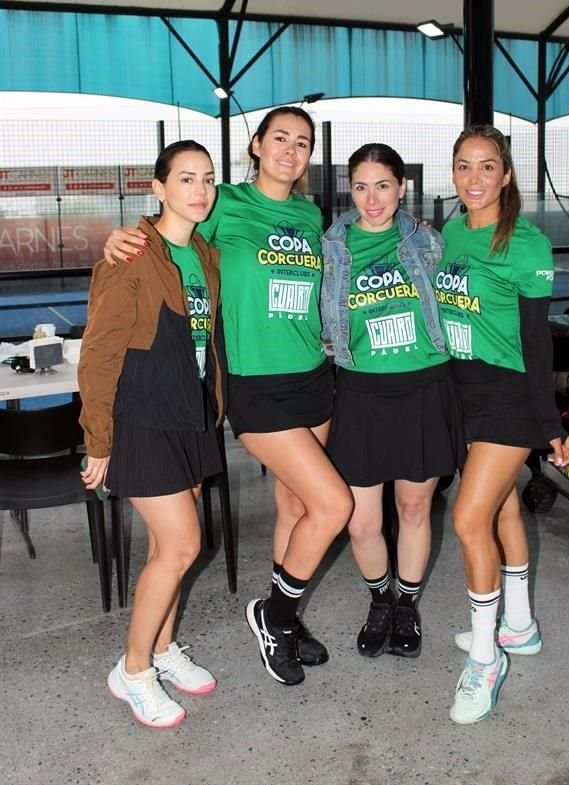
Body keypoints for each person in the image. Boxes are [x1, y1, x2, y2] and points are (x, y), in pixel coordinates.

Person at [103, 107, 353, 687]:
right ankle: (273, 615)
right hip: (254, 385)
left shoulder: (310, 214)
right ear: (257, 145)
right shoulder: (223, 203)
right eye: (280, 139)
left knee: (297, 509)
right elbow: (172, 235)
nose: (291, 151)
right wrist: (124, 235)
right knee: (333, 505)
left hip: (313, 375)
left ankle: (284, 622)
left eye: (303, 143)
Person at [79, 140, 225, 729]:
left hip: (188, 413)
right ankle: (133, 670)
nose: (199, 189)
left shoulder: (206, 256)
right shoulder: (133, 254)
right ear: (158, 187)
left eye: (208, 179)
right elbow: (99, 352)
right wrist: (98, 439)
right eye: (185, 178)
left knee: (169, 549)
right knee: (184, 546)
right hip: (142, 416)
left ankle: (163, 649)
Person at [434, 125, 569, 725]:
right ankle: (518, 625)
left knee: (468, 519)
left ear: (507, 173)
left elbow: (536, 343)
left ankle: (487, 658)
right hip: (462, 389)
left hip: (509, 395)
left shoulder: (527, 243)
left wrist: (551, 423)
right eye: (463, 166)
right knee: (502, 510)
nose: (473, 178)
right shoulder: (450, 231)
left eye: (486, 166)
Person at [321, 144, 465, 659]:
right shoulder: (331, 246)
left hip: (425, 387)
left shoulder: (428, 242)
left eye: (383, 185)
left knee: (412, 507)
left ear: (402, 186)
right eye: (360, 186)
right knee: (361, 520)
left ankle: (406, 605)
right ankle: (379, 600)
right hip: (361, 392)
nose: (371, 198)